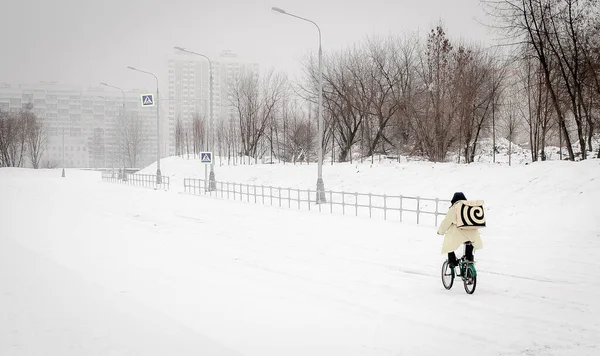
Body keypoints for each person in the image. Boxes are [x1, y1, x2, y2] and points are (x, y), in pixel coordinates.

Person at [437, 192, 483, 268]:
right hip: (472, 233)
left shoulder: (454, 208)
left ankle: (452, 262)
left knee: (448, 244)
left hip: (458, 234)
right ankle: (469, 259)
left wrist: (440, 231)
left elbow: (446, 222)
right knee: (470, 242)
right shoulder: (470, 206)